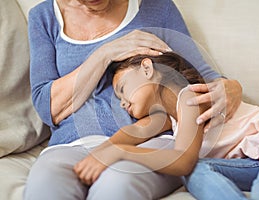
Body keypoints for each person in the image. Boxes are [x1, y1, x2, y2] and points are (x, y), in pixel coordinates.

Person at [24, 0, 242, 199]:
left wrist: (231, 86)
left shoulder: (157, 7)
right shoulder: (43, 17)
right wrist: (105, 54)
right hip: (70, 145)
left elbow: (201, 76)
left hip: (150, 141)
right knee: (44, 188)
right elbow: (47, 108)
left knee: (116, 186)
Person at [74, 52, 259, 199]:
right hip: (257, 159)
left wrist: (119, 153)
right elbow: (131, 133)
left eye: (122, 89)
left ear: (147, 69)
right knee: (198, 171)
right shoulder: (170, 118)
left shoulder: (192, 96)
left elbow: (182, 160)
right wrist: (95, 157)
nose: (123, 103)